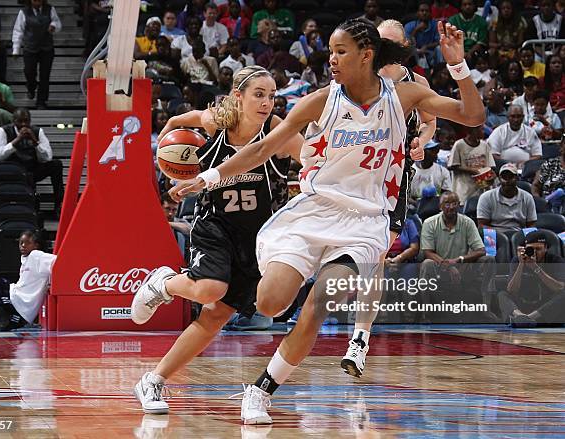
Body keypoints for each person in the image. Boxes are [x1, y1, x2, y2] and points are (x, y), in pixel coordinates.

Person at [163, 18, 484, 424]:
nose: (330, 59)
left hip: (365, 220)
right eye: (330, 51)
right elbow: (262, 149)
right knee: (270, 302)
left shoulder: (405, 95)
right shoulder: (319, 100)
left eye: (340, 51)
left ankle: (261, 390)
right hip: (313, 212)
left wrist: (458, 67)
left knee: (323, 299)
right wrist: (206, 178)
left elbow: (472, 116)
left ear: (366, 55)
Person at [130, 66, 299, 414]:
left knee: (215, 317)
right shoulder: (216, 125)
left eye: (272, 96)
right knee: (209, 289)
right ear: (238, 96)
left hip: (259, 240)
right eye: (259, 94)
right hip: (215, 225)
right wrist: (166, 153)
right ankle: (165, 283)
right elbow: (179, 119)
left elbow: (318, 158)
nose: (267, 102)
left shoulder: (280, 134)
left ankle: (153, 380)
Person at [341, 18, 434, 377]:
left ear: (404, 46)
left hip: (392, 179)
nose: (386, 48)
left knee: (376, 256)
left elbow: (430, 121)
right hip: (350, 175)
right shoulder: (356, 76)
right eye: (381, 42)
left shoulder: (416, 83)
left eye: (393, 43)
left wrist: (421, 142)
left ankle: (360, 338)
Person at [419, 191, 495, 314]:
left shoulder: (467, 222)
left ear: (459, 205)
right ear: (440, 207)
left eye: (454, 203)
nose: (451, 207)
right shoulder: (429, 223)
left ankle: (487, 308)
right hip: (439, 267)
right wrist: (448, 266)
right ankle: (425, 312)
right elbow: (427, 252)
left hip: (463, 267)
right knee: (427, 263)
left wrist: (460, 260)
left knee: (489, 260)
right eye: (447, 203)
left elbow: (481, 250)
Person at [0, 230, 56, 331]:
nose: (23, 245)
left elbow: (58, 260)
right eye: (21, 243)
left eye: (27, 243)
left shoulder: (36, 255)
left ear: (36, 245)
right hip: (16, 301)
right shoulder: (26, 258)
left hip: (20, 306)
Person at [0, 108, 64, 214]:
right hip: (13, 170)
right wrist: (17, 140)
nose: (23, 124)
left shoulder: (37, 131)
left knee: (56, 165)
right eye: (20, 121)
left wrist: (35, 142)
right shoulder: (3, 131)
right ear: (14, 121)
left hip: (32, 169)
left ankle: (59, 205)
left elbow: (47, 157)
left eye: (26, 121)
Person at [498, 230, 565, 325]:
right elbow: (512, 290)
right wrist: (521, 264)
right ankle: (519, 316)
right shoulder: (517, 260)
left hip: (544, 308)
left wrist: (535, 268)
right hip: (523, 304)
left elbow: (559, 288)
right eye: (531, 249)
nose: (534, 252)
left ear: (546, 248)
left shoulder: (556, 260)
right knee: (502, 294)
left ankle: (527, 319)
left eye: (538, 249)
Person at [11, 0, 61, 109]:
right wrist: (16, 49)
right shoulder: (24, 12)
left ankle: (41, 101)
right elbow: (18, 30)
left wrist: (53, 26)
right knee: (29, 71)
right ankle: (31, 87)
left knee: (44, 76)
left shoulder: (50, 9)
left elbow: (57, 22)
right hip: (30, 48)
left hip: (46, 48)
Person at [477, 162, 537, 232]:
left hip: (519, 235)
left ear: (517, 178)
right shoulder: (486, 197)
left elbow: (531, 225)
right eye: (504, 177)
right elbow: (482, 225)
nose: (507, 181)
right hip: (495, 235)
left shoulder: (527, 197)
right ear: (499, 179)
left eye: (510, 177)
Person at [449, 124, 495, 204]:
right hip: (464, 190)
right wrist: (473, 171)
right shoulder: (459, 145)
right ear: (471, 131)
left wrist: (492, 175)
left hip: (481, 189)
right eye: (481, 130)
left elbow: (490, 166)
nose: (483, 132)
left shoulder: (484, 145)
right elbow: (452, 166)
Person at [404, 1, 441, 69]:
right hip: (415, 53)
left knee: (439, 49)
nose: (424, 13)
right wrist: (416, 30)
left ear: (430, 13)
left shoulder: (435, 25)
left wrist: (426, 46)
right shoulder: (409, 26)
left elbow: (439, 41)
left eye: (427, 11)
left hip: (431, 52)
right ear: (417, 13)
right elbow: (407, 42)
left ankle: (439, 70)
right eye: (422, 11)